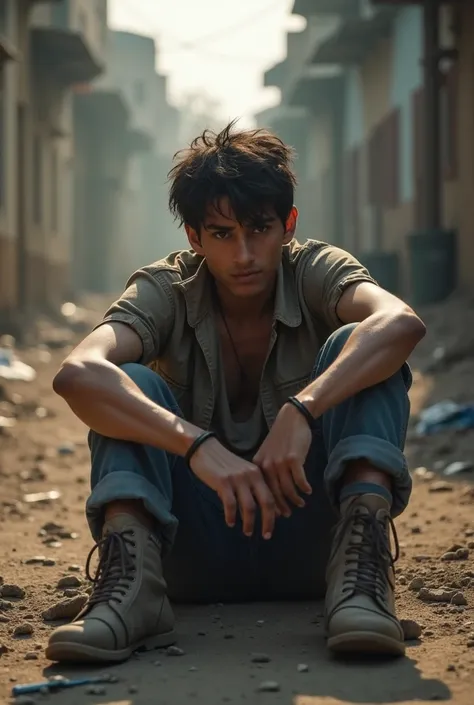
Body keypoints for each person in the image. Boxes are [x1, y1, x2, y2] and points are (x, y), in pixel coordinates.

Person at [46, 121, 425, 665]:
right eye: (222, 234)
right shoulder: (167, 288)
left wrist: (303, 410)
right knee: (130, 383)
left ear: (288, 224)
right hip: (190, 550)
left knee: (362, 348)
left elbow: (399, 324)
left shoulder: (315, 269)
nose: (244, 253)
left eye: (259, 228)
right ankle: (130, 592)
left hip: (314, 547)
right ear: (194, 238)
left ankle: (363, 582)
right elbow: (78, 372)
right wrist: (197, 446)